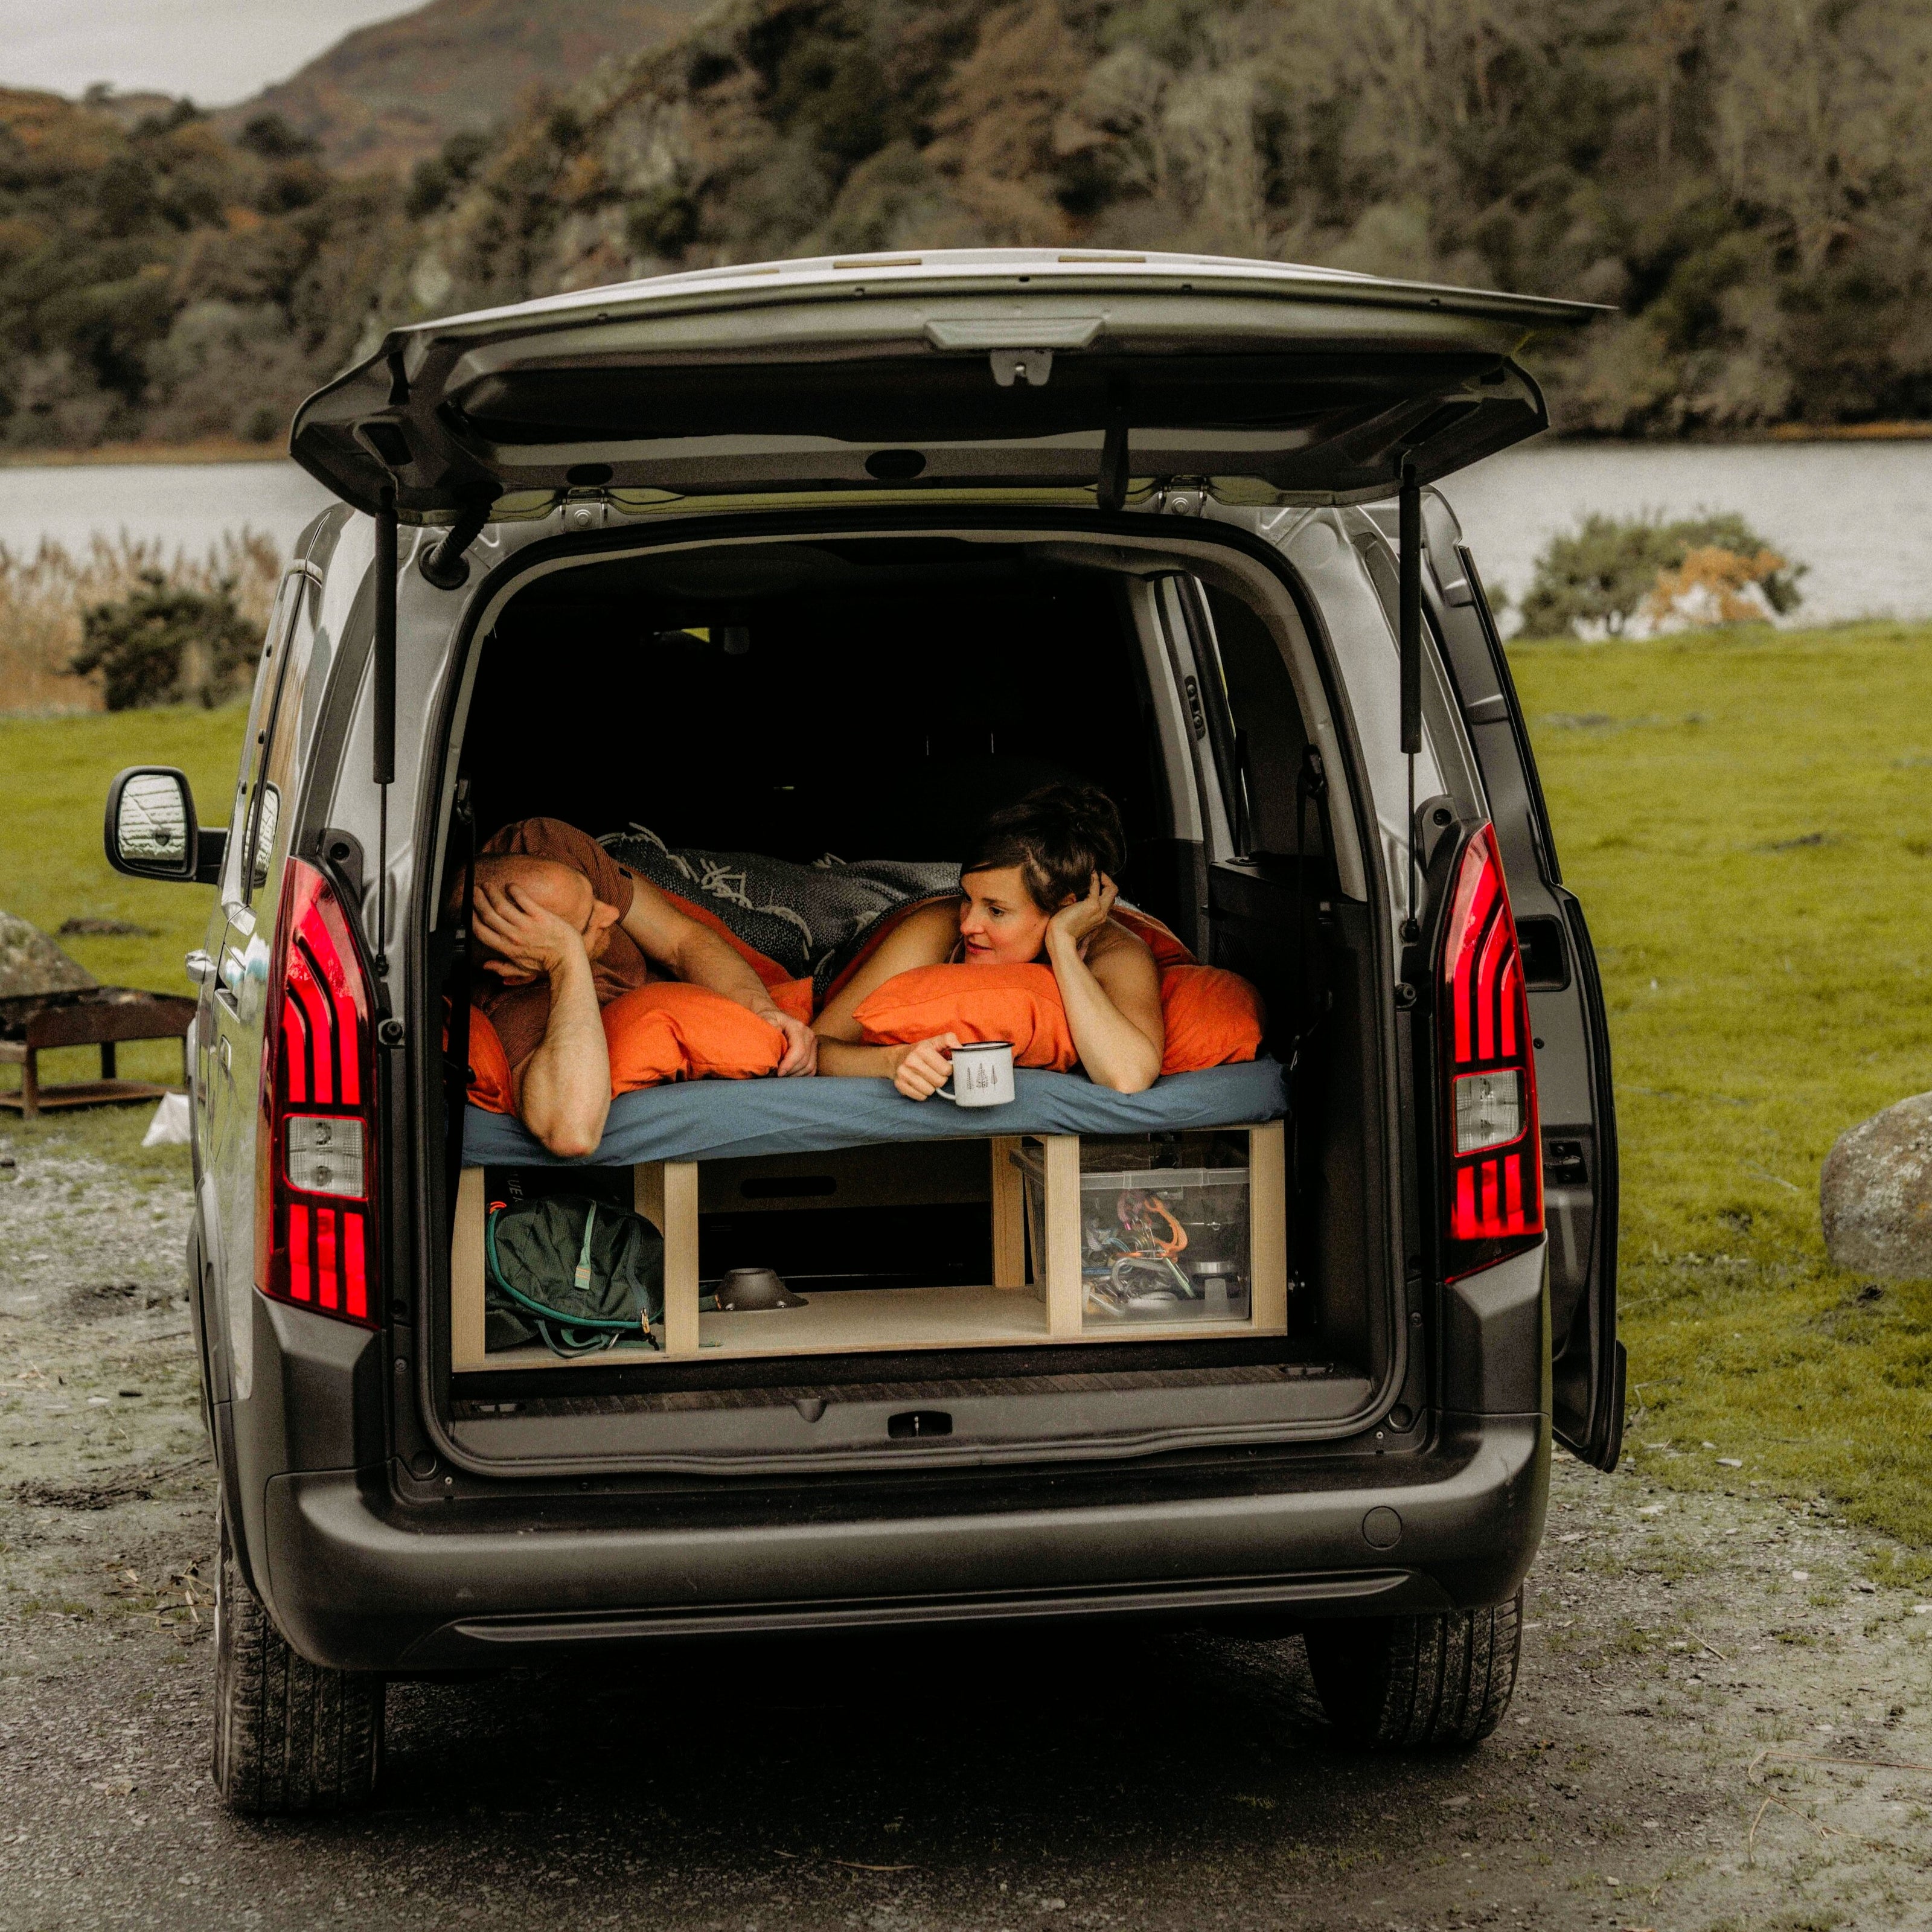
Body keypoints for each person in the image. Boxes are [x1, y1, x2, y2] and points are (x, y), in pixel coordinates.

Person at [461, 818, 814, 1156]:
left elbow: (681, 942)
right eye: (587, 922)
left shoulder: (545, 846)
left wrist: (763, 1010)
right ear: (522, 972)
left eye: (592, 895)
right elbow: (573, 1134)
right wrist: (567, 961)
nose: (612, 914)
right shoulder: (512, 1011)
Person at [813, 784, 1163, 1098]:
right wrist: (891, 1061)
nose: (968, 925)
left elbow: (1128, 1075)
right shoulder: (939, 926)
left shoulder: (1116, 952)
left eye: (996, 911)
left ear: (1064, 909)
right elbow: (818, 1045)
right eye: (967, 898)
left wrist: (1061, 945)